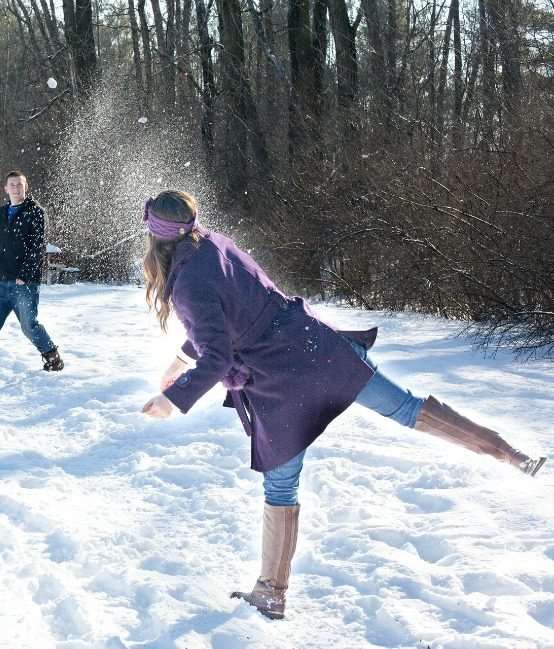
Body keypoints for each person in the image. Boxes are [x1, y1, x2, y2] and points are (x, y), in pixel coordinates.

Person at [140, 190, 546, 620]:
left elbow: (218, 354)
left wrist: (173, 398)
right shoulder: (216, 244)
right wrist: (181, 361)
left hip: (281, 381)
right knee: (409, 409)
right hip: (319, 347)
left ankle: (272, 593)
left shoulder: (186, 282)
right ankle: (512, 455)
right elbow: (233, 314)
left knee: (280, 487)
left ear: (155, 237)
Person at [0, 170, 64, 388]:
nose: (16, 188)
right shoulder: (0, 213)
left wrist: (24, 274)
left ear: (25, 187)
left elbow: (37, 246)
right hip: (0, 281)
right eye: (12, 185)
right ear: (6, 188)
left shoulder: (35, 212)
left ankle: (53, 357)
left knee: (29, 326)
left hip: (24, 283)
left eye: (20, 184)